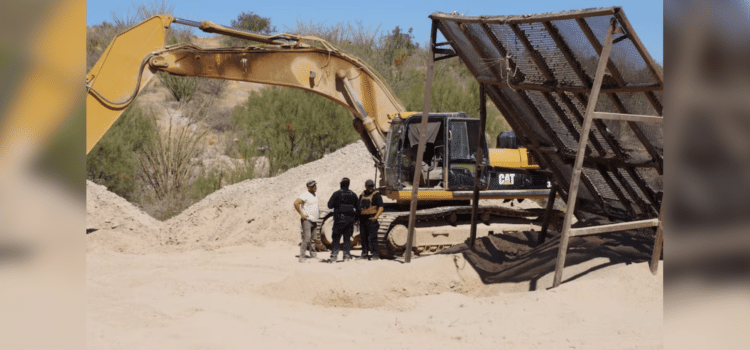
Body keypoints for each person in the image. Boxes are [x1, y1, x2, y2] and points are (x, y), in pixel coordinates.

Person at [326, 177, 359, 263]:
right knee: (347, 238)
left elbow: (329, 205)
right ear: (348, 185)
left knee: (336, 238)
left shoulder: (336, 194)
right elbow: (358, 209)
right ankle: (346, 256)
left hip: (339, 220)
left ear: (341, 184)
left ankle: (334, 257)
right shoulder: (353, 195)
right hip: (349, 221)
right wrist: (355, 220)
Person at [293, 180, 319, 262]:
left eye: (315, 185)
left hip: (314, 220)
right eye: (312, 186)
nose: (315, 187)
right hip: (307, 220)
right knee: (306, 238)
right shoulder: (305, 195)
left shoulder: (314, 195)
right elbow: (296, 203)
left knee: (313, 238)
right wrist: (302, 214)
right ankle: (302, 256)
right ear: (308, 187)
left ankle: (313, 254)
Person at [358, 179, 384, 260]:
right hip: (363, 219)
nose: (370, 187)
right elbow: (358, 207)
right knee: (363, 237)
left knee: (373, 237)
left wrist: (376, 217)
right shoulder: (362, 195)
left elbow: (381, 207)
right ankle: (364, 254)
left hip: (371, 218)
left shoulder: (377, 195)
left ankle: (376, 254)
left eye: (371, 186)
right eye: (369, 186)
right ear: (365, 186)